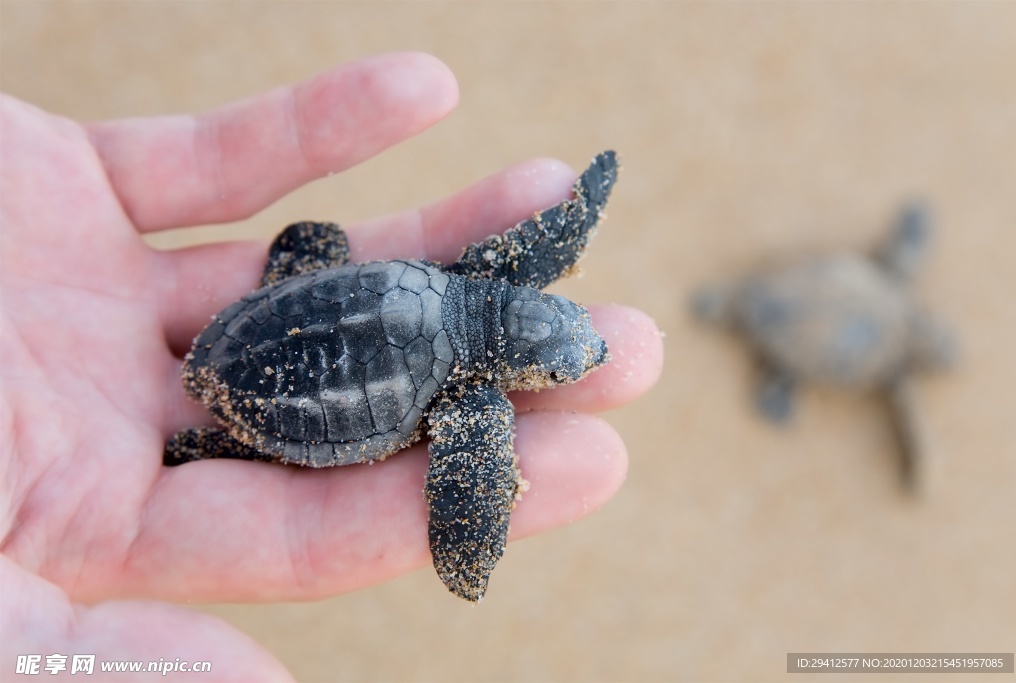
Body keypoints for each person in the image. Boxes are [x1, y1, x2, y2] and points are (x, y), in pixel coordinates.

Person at [0, 52, 661, 680]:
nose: (587, 362)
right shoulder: (477, 407)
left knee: (319, 246)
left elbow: (545, 244)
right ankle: (210, 443)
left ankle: (225, 416)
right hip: (275, 394)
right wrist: (468, 551)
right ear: (521, 364)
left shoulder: (479, 276)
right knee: (286, 434)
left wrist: (585, 203)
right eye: (558, 371)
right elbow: (472, 496)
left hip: (255, 324)